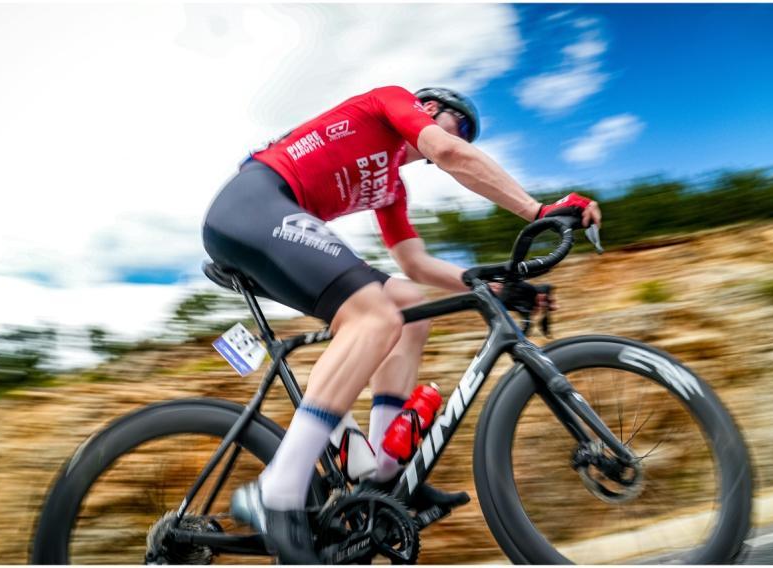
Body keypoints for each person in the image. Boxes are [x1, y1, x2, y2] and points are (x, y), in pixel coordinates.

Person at [202, 86, 601, 563]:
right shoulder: (388, 102)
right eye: (463, 125)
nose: (464, 138)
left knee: (406, 306)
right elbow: (450, 151)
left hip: (276, 224)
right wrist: (539, 212)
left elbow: (415, 264)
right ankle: (277, 491)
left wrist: (499, 289)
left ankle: (384, 474)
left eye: (471, 134)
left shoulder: (392, 185)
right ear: (429, 109)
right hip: (254, 205)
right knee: (373, 316)